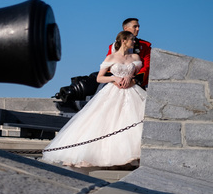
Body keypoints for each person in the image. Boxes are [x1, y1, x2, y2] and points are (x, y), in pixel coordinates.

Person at [42, 31, 146, 168]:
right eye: (132, 39)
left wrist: (130, 78)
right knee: (107, 122)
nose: (134, 41)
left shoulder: (135, 57)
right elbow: (99, 78)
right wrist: (114, 78)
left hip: (131, 91)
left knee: (133, 121)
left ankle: (132, 157)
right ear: (124, 41)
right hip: (114, 91)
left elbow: (139, 75)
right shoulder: (111, 57)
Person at [107, 18, 151, 88]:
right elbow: (108, 67)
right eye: (135, 26)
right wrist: (116, 80)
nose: (138, 29)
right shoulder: (113, 47)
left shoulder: (144, 45)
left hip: (137, 84)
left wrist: (134, 80)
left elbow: (147, 66)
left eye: (138, 27)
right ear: (125, 28)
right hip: (116, 84)